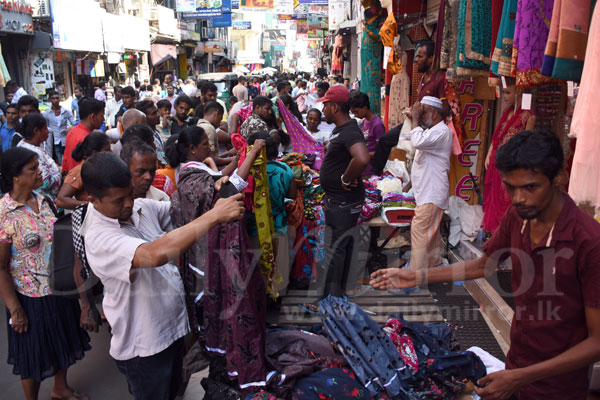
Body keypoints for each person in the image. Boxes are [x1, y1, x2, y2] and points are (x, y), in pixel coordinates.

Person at [371, 130, 600, 400]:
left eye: (530, 187)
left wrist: (519, 377)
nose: (518, 198)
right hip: (516, 366)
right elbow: (484, 266)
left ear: (558, 179)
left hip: (558, 388)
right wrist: (416, 276)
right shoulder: (518, 217)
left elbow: (596, 342)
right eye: (510, 187)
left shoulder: (589, 242)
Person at [80, 152, 245, 400]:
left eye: (129, 194)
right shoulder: (99, 237)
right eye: (118, 200)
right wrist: (215, 215)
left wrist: (218, 187)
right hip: (144, 347)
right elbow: (154, 254)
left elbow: (186, 211)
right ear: (92, 199)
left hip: (171, 331)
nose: (128, 204)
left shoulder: (140, 207)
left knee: (172, 392)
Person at [0, 147, 91, 400]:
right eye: (32, 169)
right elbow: (0, 268)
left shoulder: (45, 201)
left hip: (58, 288)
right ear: (15, 177)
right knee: (33, 355)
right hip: (29, 298)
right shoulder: (4, 214)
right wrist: (15, 310)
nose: (39, 172)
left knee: (62, 340)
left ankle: (60, 388)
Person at [311, 85, 369, 306]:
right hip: (338, 200)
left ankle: (330, 301)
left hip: (344, 202)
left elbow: (362, 158)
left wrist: (345, 178)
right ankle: (335, 297)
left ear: (334, 107)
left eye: (325, 104)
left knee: (336, 251)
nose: (323, 109)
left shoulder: (349, 131)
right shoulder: (341, 129)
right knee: (338, 248)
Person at [402, 96, 453, 270]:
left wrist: (415, 119)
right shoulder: (431, 130)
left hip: (432, 193)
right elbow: (406, 137)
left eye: (423, 111)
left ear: (435, 113)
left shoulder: (441, 132)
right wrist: (413, 119)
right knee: (430, 235)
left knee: (419, 231)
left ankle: (414, 278)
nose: (420, 114)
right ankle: (433, 265)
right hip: (427, 192)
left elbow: (417, 142)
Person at [482, 77, 536, 233]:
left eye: (507, 92)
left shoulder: (528, 116)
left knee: (507, 201)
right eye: (503, 92)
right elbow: (497, 136)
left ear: (518, 91)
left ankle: (505, 235)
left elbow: (527, 144)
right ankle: (495, 235)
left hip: (512, 165)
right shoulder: (507, 113)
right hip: (496, 163)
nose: (504, 96)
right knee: (495, 199)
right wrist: (489, 152)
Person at [248, 131, 296, 296]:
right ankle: (279, 294)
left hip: (254, 226)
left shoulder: (248, 171)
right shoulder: (285, 169)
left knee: (257, 263)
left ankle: (260, 298)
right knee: (279, 260)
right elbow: (292, 196)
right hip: (278, 223)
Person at [57, 132, 110, 210]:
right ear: (95, 152)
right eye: (107, 149)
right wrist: (90, 205)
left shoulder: (100, 166)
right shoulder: (79, 171)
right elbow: (61, 200)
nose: (110, 152)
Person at [17, 114, 62, 199]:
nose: (48, 132)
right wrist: (60, 173)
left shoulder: (26, 145)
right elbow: (44, 183)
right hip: (43, 199)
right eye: (45, 129)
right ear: (36, 131)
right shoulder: (32, 153)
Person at [62, 98, 105, 173]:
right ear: (93, 117)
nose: (103, 119)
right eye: (101, 116)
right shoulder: (88, 139)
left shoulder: (72, 132)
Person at [349, 92, 386, 176]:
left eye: (356, 112)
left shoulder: (377, 125)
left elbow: (380, 151)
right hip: (363, 167)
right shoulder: (365, 121)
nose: (355, 115)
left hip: (371, 170)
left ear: (364, 108)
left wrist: (362, 156)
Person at [43, 90, 74, 164]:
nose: (55, 100)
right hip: (54, 140)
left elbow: (74, 123)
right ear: (50, 100)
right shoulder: (46, 113)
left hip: (65, 139)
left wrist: (69, 129)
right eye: (53, 98)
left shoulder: (66, 112)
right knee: (59, 161)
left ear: (59, 99)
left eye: (57, 98)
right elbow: (45, 127)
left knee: (69, 159)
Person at [135, 100, 166, 165]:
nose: (158, 115)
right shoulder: (144, 137)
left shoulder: (156, 132)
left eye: (157, 112)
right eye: (154, 113)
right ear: (144, 117)